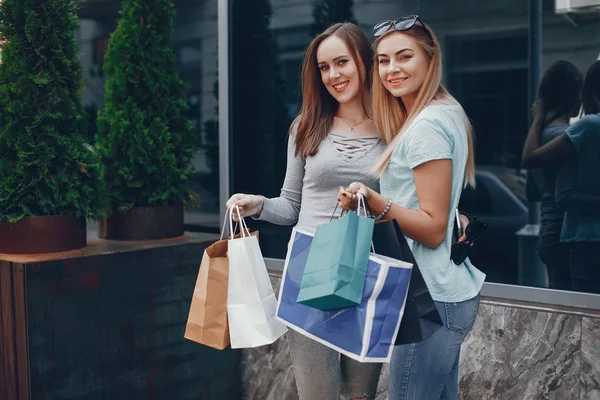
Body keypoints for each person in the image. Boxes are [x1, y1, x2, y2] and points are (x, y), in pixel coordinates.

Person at [226, 23, 385, 400]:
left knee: (362, 394)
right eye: (324, 68)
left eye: (341, 62)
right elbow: (292, 206)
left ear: (364, 61)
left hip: (368, 269)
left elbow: (401, 203)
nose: (333, 75)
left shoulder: (393, 128)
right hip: (308, 274)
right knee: (319, 394)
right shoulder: (306, 126)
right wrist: (258, 205)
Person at [338, 15, 485, 399]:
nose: (392, 69)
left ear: (429, 59)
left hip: (430, 300)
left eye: (404, 57)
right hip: (442, 294)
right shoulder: (445, 111)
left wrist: (376, 202)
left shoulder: (425, 126)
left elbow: (433, 227)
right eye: (383, 61)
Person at [522, 60, 600, 294]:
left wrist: (537, 122)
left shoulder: (542, 135)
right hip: (566, 233)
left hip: (552, 228)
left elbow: (531, 192)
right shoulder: (572, 134)